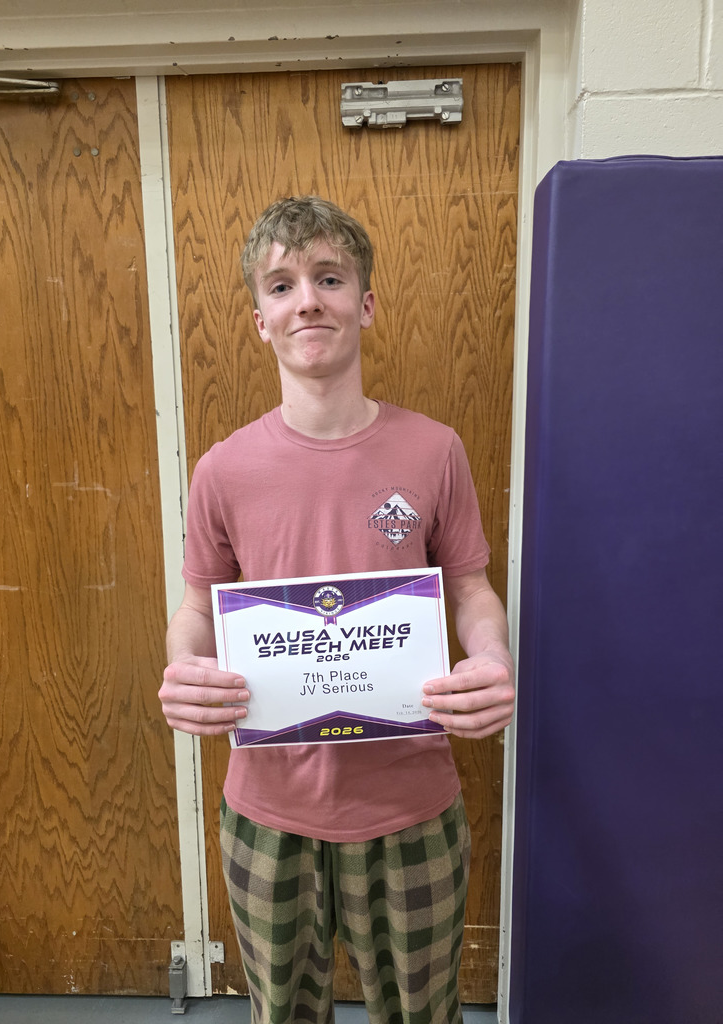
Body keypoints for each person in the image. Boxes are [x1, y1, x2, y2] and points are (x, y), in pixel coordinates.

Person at [159, 196, 515, 1024]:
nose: (307, 300)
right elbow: (195, 605)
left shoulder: (435, 449)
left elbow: (469, 588)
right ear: (259, 320)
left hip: (410, 805)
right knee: (284, 1013)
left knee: (423, 1013)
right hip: (269, 809)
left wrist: (492, 659)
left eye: (328, 278)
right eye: (281, 286)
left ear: (366, 302)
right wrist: (184, 667)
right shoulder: (223, 469)